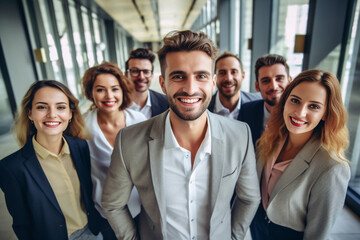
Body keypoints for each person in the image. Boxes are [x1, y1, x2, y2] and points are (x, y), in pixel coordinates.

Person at [102, 30, 260, 240]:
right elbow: (113, 204)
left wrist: (233, 236)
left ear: (212, 83)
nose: (190, 88)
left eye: (201, 76)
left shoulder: (240, 135)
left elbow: (249, 198)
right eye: (178, 76)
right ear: (163, 82)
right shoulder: (129, 141)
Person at [250, 70, 350, 240]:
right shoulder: (271, 138)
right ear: (285, 102)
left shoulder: (332, 167)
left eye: (314, 106)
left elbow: (319, 232)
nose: (300, 112)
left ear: (325, 114)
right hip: (257, 228)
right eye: (295, 101)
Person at [0, 80, 103, 240]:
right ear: (30, 113)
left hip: (92, 233)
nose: (52, 114)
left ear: (70, 113)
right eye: (42, 107)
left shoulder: (81, 147)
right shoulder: (11, 168)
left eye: (60, 107)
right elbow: (22, 224)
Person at [82, 62, 146, 239]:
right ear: (91, 92)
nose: (109, 95)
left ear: (122, 91)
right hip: (105, 210)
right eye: (100, 89)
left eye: (115, 89)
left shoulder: (139, 120)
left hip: (142, 206)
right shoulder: (83, 126)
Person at [240, 54, 291, 145]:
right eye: (266, 81)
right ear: (257, 86)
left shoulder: (299, 116)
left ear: (290, 82)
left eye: (279, 79)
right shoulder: (247, 110)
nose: (274, 87)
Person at [208, 51, 261, 120]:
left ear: (243, 75)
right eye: (222, 73)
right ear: (214, 78)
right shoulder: (204, 107)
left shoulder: (258, 103)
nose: (228, 79)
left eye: (234, 72)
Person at [126, 48, 169, 119]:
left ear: (152, 76)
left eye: (146, 72)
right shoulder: (117, 104)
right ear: (126, 74)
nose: (141, 77)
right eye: (135, 71)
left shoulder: (166, 103)